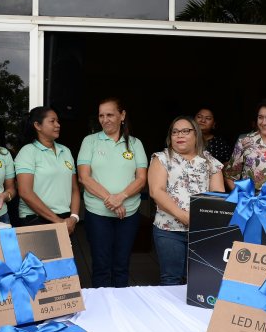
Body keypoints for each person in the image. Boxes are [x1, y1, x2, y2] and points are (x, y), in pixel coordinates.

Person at [77, 97, 147, 288]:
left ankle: (119, 311)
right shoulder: (90, 141)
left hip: (129, 213)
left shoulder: (135, 143)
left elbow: (141, 179)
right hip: (98, 213)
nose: (105, 119)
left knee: (122, 265)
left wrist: (121, 197)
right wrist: (110, 199)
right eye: (101, 115)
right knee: (101, 265)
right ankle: (102, 311)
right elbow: (84, 177)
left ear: (122, 115)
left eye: (110, 115)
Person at [148, 116, 224, 285]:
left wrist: (201, 219)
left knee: (199, 281)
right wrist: (184, 216)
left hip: (202, 231)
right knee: (171, 279)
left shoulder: (210, 161)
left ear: (196, 134)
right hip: (169, 230)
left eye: (185, 131)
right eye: (175, 132)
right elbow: (156, 191)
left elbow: (218, 195)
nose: (179, 135)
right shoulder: (161, 158)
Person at [15, 106, 80, 233]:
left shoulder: (65, 151)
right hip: (36, 219)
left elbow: (75, 189)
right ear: (38, 126)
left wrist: (73, 217)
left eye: (58, 121)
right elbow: (25, 192)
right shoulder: (28, 152)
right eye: (52, 121)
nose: (58, 125)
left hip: (66, 219)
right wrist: (58, 221)